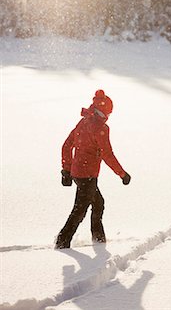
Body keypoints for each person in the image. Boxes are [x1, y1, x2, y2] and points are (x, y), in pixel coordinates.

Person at [55, 89, 131, 249]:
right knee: (79, 211)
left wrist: (67, 170)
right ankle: (62, 242)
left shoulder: (84, 122)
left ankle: (98, 240)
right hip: (87, 175)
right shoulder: (100, 128)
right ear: (104, 111)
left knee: (98, 203)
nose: (109, 116)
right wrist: (122, 174)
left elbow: (67, 145)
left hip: (78, 173)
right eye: (109, 112)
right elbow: (107, 154)